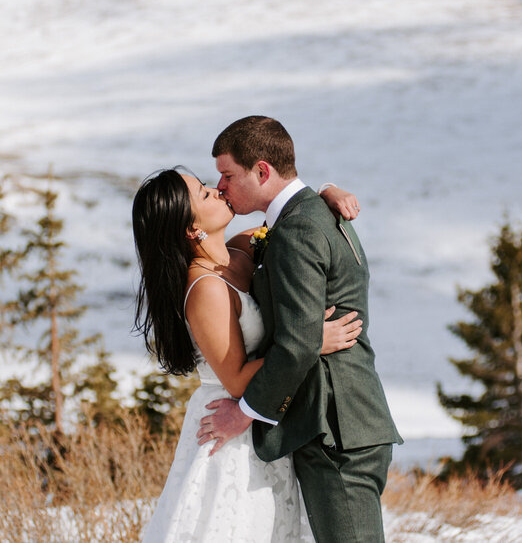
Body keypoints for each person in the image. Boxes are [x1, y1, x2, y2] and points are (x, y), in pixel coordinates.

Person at [132, 167, 364, 542]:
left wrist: (326, 193)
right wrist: (310, 342)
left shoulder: (240, 250)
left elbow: (292, 218)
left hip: (264, 413)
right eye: (204, 195)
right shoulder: (205, 287)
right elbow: (236, 378)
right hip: (229, 426)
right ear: (192, 230)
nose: (217, 190)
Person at [201, 116, 403, 543]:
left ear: (262, 171)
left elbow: (296, 345)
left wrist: (243, 414)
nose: (220, 186)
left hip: (336, 428)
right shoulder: (306, 215)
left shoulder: (299, 228)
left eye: (227, 175)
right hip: (343, 423)